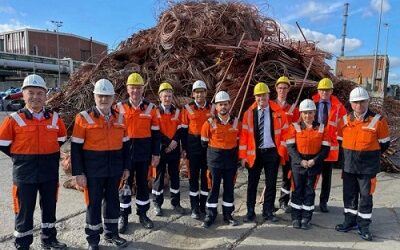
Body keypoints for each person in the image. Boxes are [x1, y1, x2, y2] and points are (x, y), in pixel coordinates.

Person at [0, 74, 67, 250]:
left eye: (40, 93)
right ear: (23, 94)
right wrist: (21, 156)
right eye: (31, 92)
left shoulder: (54, 118)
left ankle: (49, 239)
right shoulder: (13, 119)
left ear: (46, 96)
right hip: (24, 172)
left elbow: (61, 138)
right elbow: (3, 143)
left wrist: (47, 153)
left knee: (49, 207)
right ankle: (23, 243)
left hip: (49, 171)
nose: (35, 97)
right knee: (24, 210)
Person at [71, 79, 130, 250]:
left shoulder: (120, 117)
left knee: (113, 202)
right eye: (100, 96)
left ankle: (112, 234)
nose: (104, 100)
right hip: (93, 171)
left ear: (113, 97)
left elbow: (126, 146)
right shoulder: (83, 117)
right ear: (94, 96)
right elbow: (75, 148)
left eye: (107, 96)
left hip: (114, 169)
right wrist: (78, 173)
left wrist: (126, 167)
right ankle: (93, 240)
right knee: (93, 204)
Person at [335, 87, 390, 241]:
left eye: (362, 101)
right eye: (356, 102)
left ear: (368, 101)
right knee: (349, 196)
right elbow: (340, 140)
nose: (359, 105)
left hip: (367, 168)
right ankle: (349, 221)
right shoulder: (344, 120)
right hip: (349, 167)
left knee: (365, 197)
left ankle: (364, 225)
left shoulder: (378, 120)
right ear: (351, 104)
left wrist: (368, 155)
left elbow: (384, 144)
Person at [117, 73, 161, 233]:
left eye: (138, 88)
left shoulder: (151, 108)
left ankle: (143, 214)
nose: (135, 91)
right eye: (132, 88)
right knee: (125, 186)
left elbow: (156, 134)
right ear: (127, 89)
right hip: (125, 153)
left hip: (144, 152)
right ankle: (124, 216)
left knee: (143, 184)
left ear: (143, 89)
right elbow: (114, 132)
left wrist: (156, 154)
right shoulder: (119, 107)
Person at [239, 82, 288, 223]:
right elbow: (243, 137)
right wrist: (243, 156)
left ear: (269, 95)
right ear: (255, 97)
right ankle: (250, 211)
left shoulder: (279, 113)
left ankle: (268, 211)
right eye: (258, 95)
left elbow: (285, 133)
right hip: (254, 154)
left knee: (271, 183)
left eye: (264, 95)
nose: (261, 98)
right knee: (252, 184)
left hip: (272, 153)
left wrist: (281, 152)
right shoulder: (248, 114)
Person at [286, 99, 330, 230]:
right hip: (298, 164)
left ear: (315, 113)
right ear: (300, 113)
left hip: (314, 164)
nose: (307, 116)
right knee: (297, 190)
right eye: (304, 113)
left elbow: (325, 149)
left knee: (309, 191)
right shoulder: (294, 127)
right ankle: (296, 217)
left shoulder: (322, 128)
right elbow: (290, 147)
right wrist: (301, 161)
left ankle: (306, 217)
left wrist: (314, 160)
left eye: (310, 112)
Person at [200, 91, 240, 228]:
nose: (223, 107)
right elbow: (204, 142)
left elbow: (239, 141)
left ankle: (228, 215)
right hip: (215, 160)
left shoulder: (236, 122)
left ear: (230, 105)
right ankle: (210, 214)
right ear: (216, 107)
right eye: (220, 104)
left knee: (229, 188)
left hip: (230, 160)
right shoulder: (209, 123)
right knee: (213, 188)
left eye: (225, 104)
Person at [312, 78, 347, 212]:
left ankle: (323, 202)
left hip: (330, 147)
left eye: (327, 90)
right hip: (314, 145)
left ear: (331, 91)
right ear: (318, 91)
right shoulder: (312, 103)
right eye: (322, 90)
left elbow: (344, 125)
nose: (324, 92)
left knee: (327, 178)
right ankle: (310, 200)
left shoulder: (338, 107)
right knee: (312, 176)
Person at [152, 82, 186, 216]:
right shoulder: (155, 112)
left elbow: (180, 130)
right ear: (160, 97)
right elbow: (155, 132)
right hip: (160, 150)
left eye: (170, 96)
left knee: (175, 176)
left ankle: (175, 203)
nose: (167, 99)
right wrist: (167, 144)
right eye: (165, 96)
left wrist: (175, 142)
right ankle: (157, 203)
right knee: (159, 177)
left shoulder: (177, 112)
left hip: (174, 150)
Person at [181, 80, 213, 219]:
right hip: (192, 147)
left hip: (208, 147)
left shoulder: (213, 109)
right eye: (197, 92)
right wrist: (184, 149)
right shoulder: (187, 109)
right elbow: (183, 130)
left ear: (206, 93)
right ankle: (194, 208)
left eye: (202, 91)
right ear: (193, 94)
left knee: (206, 178)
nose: (199, 94)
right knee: (193, 178)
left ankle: (203, 207)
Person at [272, 76, 300, 213]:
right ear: (276, 89)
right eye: (280, 87)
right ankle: (269, 202)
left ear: (288, 89)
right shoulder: (270, 106)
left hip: (287, 148)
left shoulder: (293, 109)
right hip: (272, 147)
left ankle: (283, 201)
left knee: (286, 176)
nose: (282, 90)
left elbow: (296, 128)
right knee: (271, 176)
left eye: (285, 87)